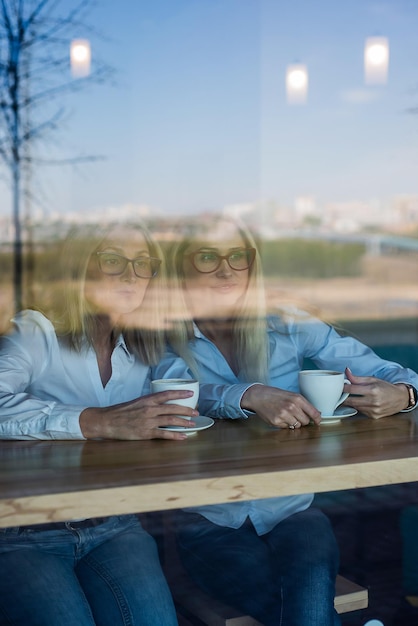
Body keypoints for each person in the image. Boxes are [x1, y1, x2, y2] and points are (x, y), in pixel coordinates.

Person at [161, 215, 418, 626]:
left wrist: (403, 395)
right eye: (207, 256)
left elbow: (386, 371)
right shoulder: (159, 331)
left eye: (238, 256)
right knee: (304, 602)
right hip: (206, 520)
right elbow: (173, 394)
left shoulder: (288, 323)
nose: (226, 269)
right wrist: (248, 394)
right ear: (183, 267)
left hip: (293, 508)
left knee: (308, 589)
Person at [0, 221, 197, 626]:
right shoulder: (36, 332)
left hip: (114, 522)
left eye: (143, 263)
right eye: (113, 260)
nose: (131, 275)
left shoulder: (146, 346)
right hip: (21, 532)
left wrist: (248, 396)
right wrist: (95, 421)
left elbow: (196, 389)